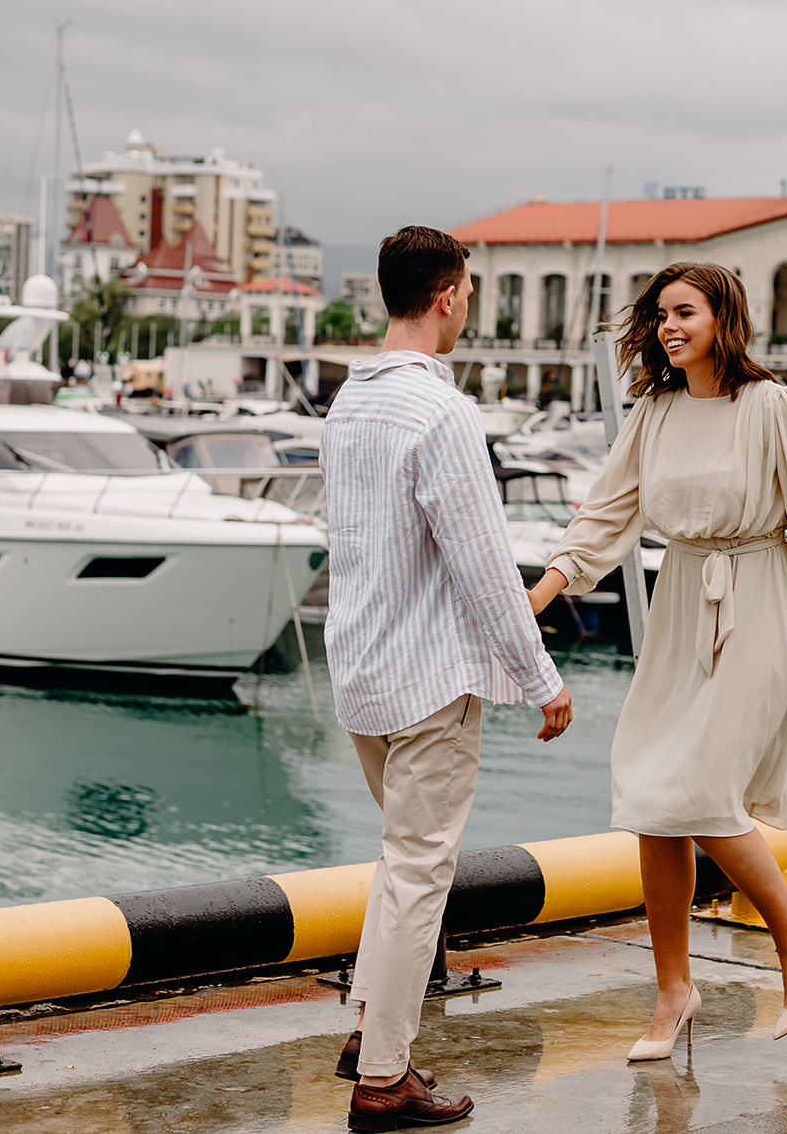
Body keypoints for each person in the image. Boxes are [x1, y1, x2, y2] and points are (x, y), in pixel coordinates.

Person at [527, 262, 787, 1062]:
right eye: (661, 314)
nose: (670, 326)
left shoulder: (774, 406)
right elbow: (605, 517)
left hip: (763, 598)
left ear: (724, 318)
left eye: (686, 311)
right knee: (650, 793)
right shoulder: (655, 411)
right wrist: (536, 596)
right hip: (682, 599)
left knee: (704, 790)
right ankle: (674, 990)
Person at [322, 225, 573, 1130]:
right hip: (427, 679)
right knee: (419, 870)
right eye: (467, 290)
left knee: (400, 864)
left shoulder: (349, 403)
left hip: (359, 668)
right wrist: (541, 676)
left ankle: (370, 1030)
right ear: (447, 296)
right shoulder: (443, 412)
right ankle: (384, 1078)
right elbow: (480, 561)